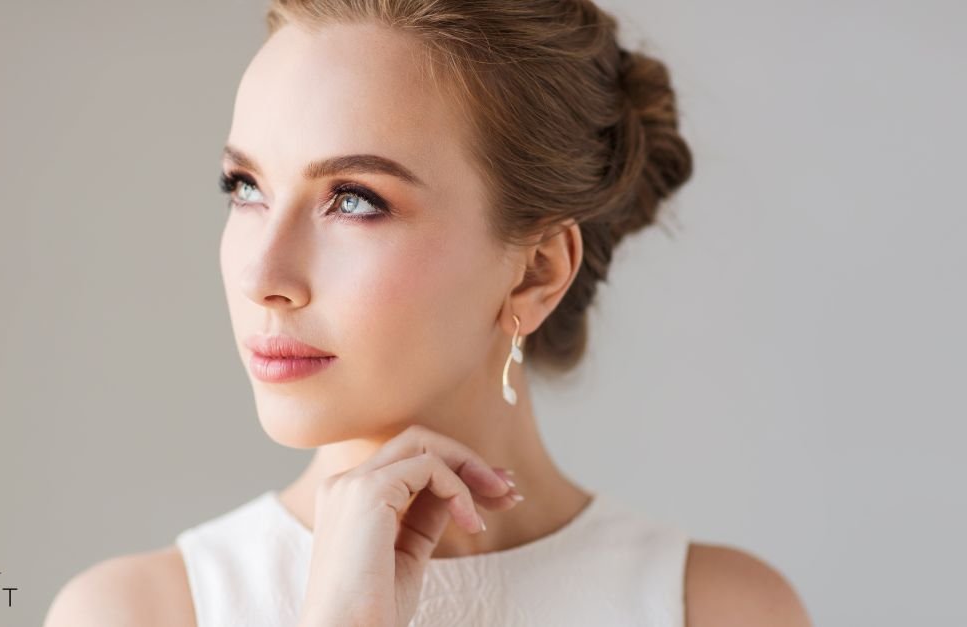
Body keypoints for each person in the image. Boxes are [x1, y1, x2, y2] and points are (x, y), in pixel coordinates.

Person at [46, 1, 813, 625]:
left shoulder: (720, 610)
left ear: (536, 271)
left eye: (354, 200)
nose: (262, 276)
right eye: (245, 187)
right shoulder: (137, 612)